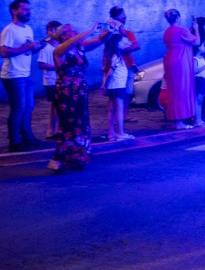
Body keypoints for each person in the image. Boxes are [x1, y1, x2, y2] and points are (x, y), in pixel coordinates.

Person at [47, 22, 110, 173]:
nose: (74, 31)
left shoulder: (80, 47)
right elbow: (71, 42)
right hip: (66, 94)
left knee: (81, 126)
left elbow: (101, 40)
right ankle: (57, 160)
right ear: (62, 36)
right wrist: (90, 30)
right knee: (69, 126)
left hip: (80, 93)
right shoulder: (58, 51)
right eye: (69, 31)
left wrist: (111, 29)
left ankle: (78, 158)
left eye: (74, 29)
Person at [2, 0, 46, 152]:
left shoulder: (28, 29)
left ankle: (27, 137)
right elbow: (4, 52)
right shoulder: (9, 30)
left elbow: (27, 52)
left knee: (29, 106)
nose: (29, 12)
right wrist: (27, 46)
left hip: (25, 74)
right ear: (14, 11)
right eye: (25, 9)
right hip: (13, 75)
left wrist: (38, 47)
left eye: (29, 9)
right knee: (18, 108)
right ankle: (15, 142)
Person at [162, 10, 199, 130]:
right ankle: (180, 122)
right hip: (181, 62)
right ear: (177, 17)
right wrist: (196, 28)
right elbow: (197, 41)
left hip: (170, 60)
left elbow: (180, 38)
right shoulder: (181, 30)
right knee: (182, 90)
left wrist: (189, 30)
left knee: (173, 91)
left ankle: (175, 121)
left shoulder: (168, 31)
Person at [101, 25, 134, 142]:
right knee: (119, 109)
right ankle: (120, 133)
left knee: (111, 110)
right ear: (116, 44)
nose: (123, 43)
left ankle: (111, 133)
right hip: (117, 86)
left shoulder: (112, 56)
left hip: (113, 86)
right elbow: (109, 72)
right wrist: (103, 85)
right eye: (121, 42)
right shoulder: (116, 57)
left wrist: (105, 85)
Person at [109, 6, 141, 122]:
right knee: (118, 94)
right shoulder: (110, 34)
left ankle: (124, 116)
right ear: (115, 18)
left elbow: (137, 46)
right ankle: (118, 118)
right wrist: (124, 49)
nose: (125, 18)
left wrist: (121, 50)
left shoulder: (128, 33)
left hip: (129, 66)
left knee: (128, 93)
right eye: (122, 15)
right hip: (118, 66)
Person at [38, 20, 61, 138]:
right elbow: (41, 64)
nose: (53, 32)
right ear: (48, 32)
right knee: (56, 106)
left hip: (60, 79)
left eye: (56, 29)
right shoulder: (45, 47)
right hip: (51, 80)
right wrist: (57, 67)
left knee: (56, 106)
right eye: (51, 30)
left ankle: (53, 130)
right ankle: (53, 130)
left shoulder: (62, 45)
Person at [193, 45, 205, 127]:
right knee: (198, 100)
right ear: (198, 47)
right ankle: (197, 120)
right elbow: (195, 71)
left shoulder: (201, 58)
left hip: (204, 80)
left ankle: (199, 119)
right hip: (199, 80)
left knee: (200, 100)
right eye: (203, 45)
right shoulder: (195, 59)